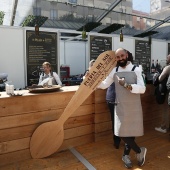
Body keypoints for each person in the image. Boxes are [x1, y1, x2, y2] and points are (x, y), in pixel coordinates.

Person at [98, 48, 147, 168]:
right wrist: (90, 80)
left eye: (122, 56)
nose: (120, 59)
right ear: (116, 59)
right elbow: (104, 85)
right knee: (120, 132)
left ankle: (125, 155)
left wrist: (126, 85)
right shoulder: (114, 71)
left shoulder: (136, 69)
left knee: (131, 133)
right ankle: (140, 151)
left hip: (134, 107)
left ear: (127, 55)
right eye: (118, 57)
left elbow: (142, 89)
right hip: (120, 106)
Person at [154, 54, 170, 133]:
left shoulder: (168, 67)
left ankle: (164, 127)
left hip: (168, 92)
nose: (166, 59)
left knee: (165, 110)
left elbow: (160, 79)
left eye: (167, 57)